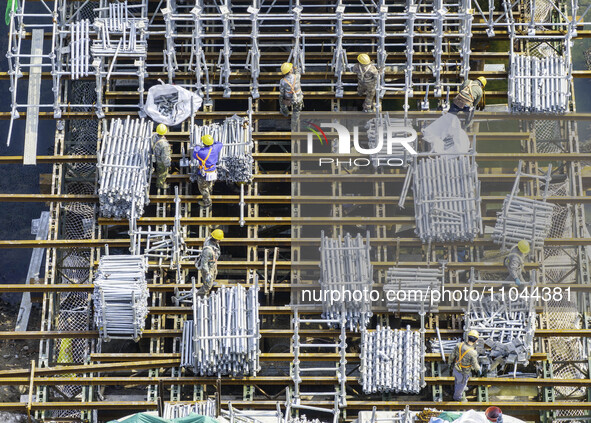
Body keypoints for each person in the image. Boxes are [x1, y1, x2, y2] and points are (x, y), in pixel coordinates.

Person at [448, 330, 481, 402]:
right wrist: (479, 369)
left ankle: (460, 387)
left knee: (457, 380)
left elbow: (452, 356)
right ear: (476, 341)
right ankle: (457, 397)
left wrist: (449, 363)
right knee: (461, 383)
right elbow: (475, 364)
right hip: (464, 372)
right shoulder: (473, 352)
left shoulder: (459, 345)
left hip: (456, 368)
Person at [193, 134, 223, 208]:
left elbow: (194, 154)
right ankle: (210, 193)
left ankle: (207, 203)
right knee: (209, 185)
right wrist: (213, 142)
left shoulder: (202, 152)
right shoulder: (215, 148)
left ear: (204, 143)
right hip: (213, 172)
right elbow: (220, 143)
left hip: (204, 174)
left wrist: (197, 146)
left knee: (203, 188)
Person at [195, 229, 223, 296]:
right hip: (208, 267)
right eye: (219, 239)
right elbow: (204, 264)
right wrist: (207, 274)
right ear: (216, 239)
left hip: (212, 263)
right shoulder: (208, 250)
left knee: (215, 273)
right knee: (207, 286)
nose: (220, 240)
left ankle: (211, 281)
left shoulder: (214, 243)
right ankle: (199, 296)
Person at [279, 62, 304, 131]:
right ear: (290, 70)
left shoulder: (283, 81)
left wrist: (283, 100)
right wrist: (296, 68)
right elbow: (298, 71)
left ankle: (285, 112)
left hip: (288, 99)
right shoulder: (297, 77)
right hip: (298, 99)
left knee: (281, 100)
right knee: (296, 111)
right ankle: (293, 125)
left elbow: (282, 92)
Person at [153, 124, 172, 189]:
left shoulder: (154, 136)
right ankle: (160, 185)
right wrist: (168, 165)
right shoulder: (164, 145)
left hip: (156, 157)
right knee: (162, 174)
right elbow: (165, 158)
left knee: (158, 169)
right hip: (161, 162)